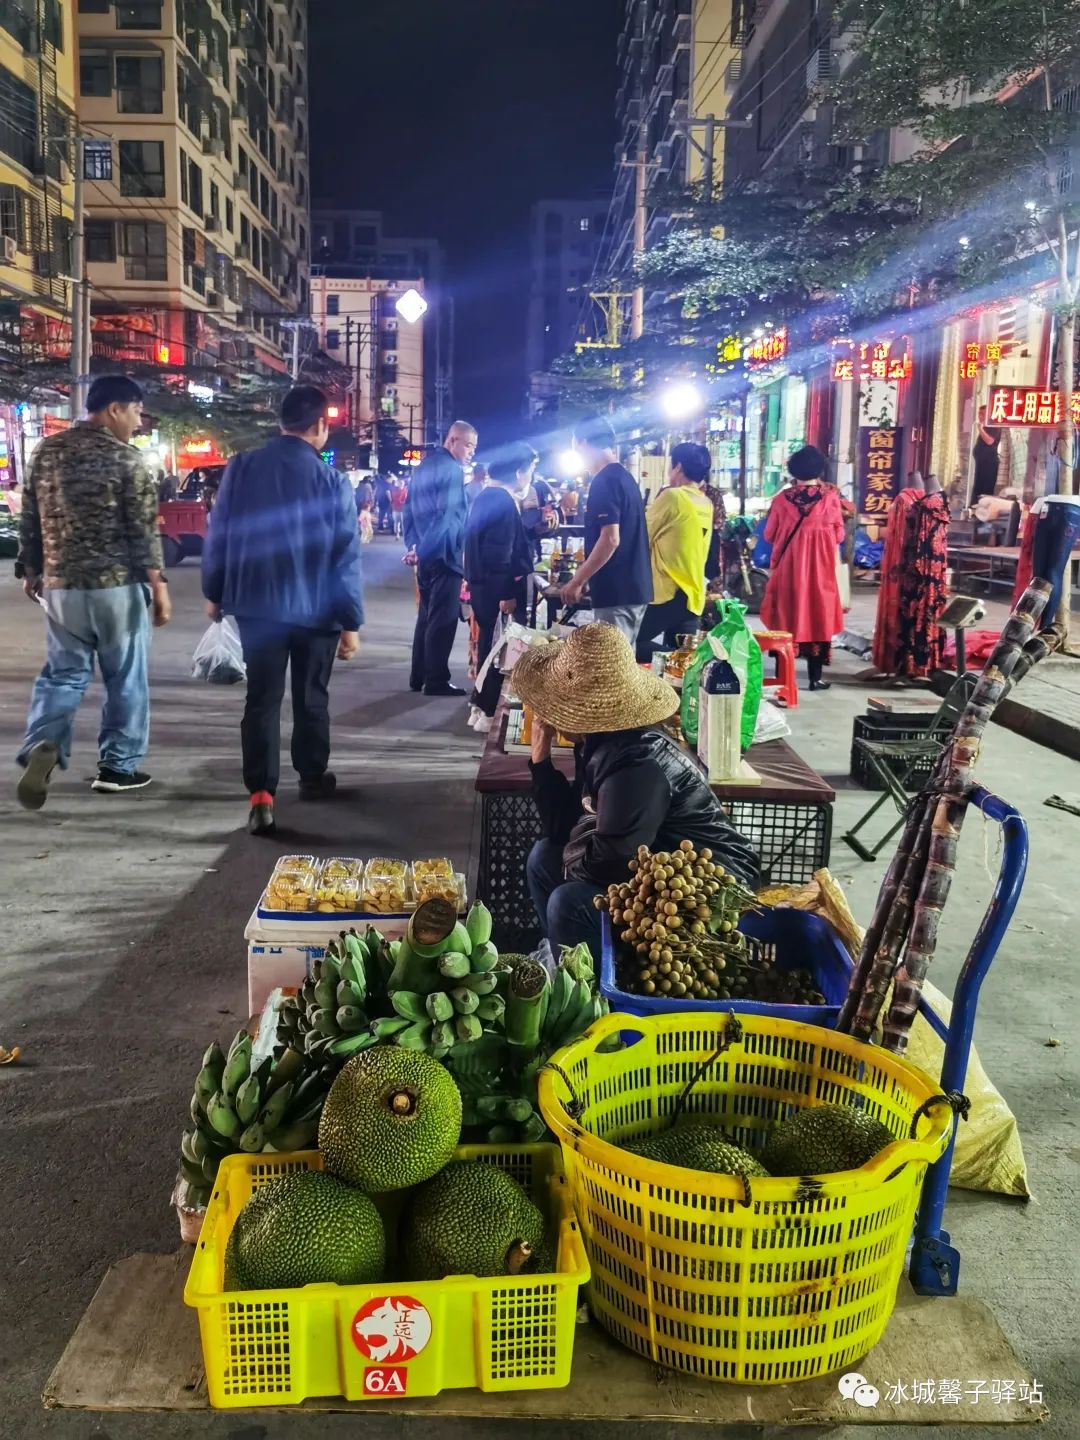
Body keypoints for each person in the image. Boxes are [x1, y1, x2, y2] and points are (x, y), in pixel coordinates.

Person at [515, 624, 760, 958]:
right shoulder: (599, 743)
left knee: (569, 902)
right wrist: (540, 757)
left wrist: (572, 866)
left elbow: (612, 862)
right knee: (544, 857)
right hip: (649, 869)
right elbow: (565, 827)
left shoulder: (635, 766)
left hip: (710, 893)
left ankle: (590, 979)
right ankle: (565, 961)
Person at [202, 385, 364, 836]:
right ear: (320, 426)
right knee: (311, 696)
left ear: (281, 423)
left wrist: (214, 592)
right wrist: (350, 621)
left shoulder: (242, 466)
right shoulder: (332, 481)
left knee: (262, 699)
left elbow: (219, 533)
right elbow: (345, 555)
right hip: (318, 611)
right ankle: (311, 777)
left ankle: (261, 796)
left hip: (258, 607)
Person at [15, 374, 171, 810]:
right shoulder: (127, 459)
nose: (138, 422)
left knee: (63, 674)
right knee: (125, 678)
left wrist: (31, 569)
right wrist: (158, 585)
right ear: (114, 409)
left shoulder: (46, 451)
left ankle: (44, 742)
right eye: (136, 412)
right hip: (116, 587)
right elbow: (142, 529)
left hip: (62, 587)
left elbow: (30, 514)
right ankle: (118, 768)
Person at [560, 414, 652, 643]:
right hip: (630, 590)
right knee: (622, 660)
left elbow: (610, 539)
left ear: (583, 443)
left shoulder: (605, 480)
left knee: (611, 663)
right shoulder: (624, 477)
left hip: (617, 593)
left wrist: (578, 580)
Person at [759, 445, 845, 691]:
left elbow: (769, 534)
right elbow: (839, 535)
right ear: (819, 470)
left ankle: (782, 677)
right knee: (818, 616)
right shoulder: (830, 498)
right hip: (821, 570)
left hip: (788, 569)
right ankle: (815, 678)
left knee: (785, 616)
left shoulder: (781, 500)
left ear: (793, 470)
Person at [404, 419, 477, 695]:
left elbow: (409, 508)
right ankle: (436, 680)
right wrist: (424, 549)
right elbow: (445, 516)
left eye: (474, 447)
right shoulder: (453, 470)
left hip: (425, 554)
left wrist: (413, 546)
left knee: (426, 615)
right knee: (442, 618)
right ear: (452, 440)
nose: (471, 452)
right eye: (468, 445)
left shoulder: (423, 466)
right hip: (445, 553)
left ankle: (418, 676)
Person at [464, 444, 535, 731]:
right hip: (497, 589)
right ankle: (488, 710)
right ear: (518, 472)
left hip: (483, 586)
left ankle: (479, 706)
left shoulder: (485, 496)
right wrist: (507, 593)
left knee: (488, 646)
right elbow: (500, 553)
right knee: (500, 651)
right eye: (530, 470)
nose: (530, 476)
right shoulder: (502, 501)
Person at [636, 442, 714, 663]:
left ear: (678, 467)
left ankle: (674, 659)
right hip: (692, 594)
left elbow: (641, 537)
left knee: (625, 645)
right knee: (680, 672)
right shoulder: (705, 502)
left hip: (667, 590)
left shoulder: (673, 496)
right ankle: (680, 660)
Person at [872, 473, 950, 679]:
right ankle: (927, 662)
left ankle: (912, 663)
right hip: (934, 572)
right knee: (929, 612)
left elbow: (900, 540)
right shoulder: (940, 501)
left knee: (915, 613)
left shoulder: (913, 503)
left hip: (918, 570)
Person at [971, 404, 1001, 504]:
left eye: (983, 414)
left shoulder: (993, 425)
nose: (980, 416)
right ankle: (975, 506)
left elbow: (989, 441)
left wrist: (980, 429)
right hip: (981, 463)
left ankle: (982, 507)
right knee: (978, 488)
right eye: (979, 414)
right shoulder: (985, 427)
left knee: (985, 490)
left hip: (989, 464)